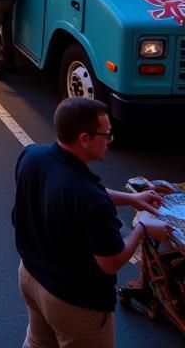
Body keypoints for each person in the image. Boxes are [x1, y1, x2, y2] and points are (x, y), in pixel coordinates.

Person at [12, 97, 170, 348]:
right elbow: (111, 262)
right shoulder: (91, 199)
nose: (109, 140)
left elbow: (74, 191)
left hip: (30, 277)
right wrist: (142, 226)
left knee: (37, 342)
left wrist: (132, 198)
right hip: (73, 301)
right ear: (84, 139)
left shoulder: (33, 157)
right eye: (106, 135)